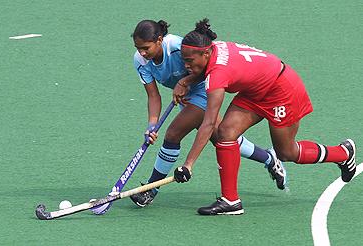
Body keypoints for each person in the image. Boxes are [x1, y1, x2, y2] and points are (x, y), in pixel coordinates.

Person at [173, 18, 357, 215]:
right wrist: (188, 79)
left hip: (282, 90)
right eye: (184, 60)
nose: (185, 65)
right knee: (226, 132)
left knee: (286, 152)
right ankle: (231, 201)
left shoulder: (218, 73)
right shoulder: (212, 47)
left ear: (206, 52)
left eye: (189, 61)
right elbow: (211, 67)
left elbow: (208, 123)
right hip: (255, 91)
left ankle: (343, 153)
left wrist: (188, 165)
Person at [128, 20, 288, 208]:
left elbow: (207, 66)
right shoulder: (140, 61)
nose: (142, 53)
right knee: (222, 137)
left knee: (173, 134)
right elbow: (153, 96)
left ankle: (150, 190)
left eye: (146, 48)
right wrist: (152, 125)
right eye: (138, 48)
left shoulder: (176, 46)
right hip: (186, 97)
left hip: (204, 89)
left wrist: (185, 81)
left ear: (159, 40)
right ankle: (269, 158)